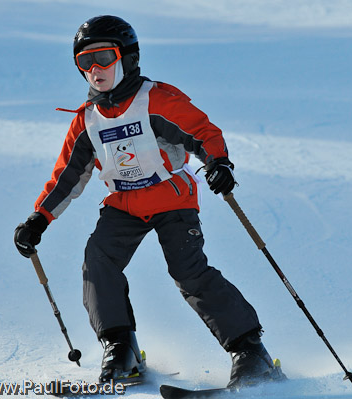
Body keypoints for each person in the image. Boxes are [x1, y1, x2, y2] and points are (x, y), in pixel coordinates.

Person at [14, 15, 284, 388]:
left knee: (187, 271)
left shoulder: (155, 100)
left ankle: (251, 353)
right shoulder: (87, 121)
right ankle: (121, 350)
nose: (95, 70)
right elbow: (67, 176)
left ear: (127, 57)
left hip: (171, 196)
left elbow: (202, 132)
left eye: (104, 57)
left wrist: (217, 162)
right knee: (98, 260)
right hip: (124, 203)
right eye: (84, 62)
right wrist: (39, 218)